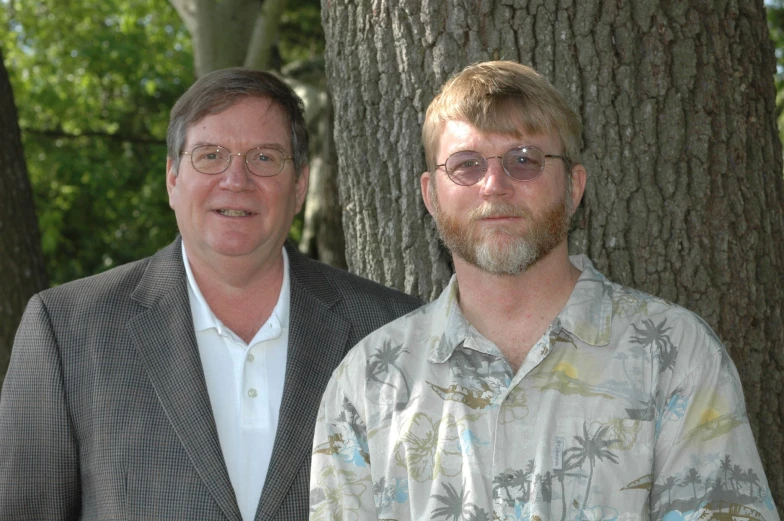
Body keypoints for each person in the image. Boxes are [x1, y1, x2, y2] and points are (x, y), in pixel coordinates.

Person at [309, 61, 779, 521]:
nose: (495, 186)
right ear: (431, 195)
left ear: (573, 188)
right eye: (466, 165)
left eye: (524, 160)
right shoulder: (370, 382)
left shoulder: (674, 354)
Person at [0, 68, 422, 521]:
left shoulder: (392, 331)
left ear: (299, 186)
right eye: (210, 156)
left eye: (264, 158)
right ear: (172, 179)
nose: (235, 179)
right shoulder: (65, 330)